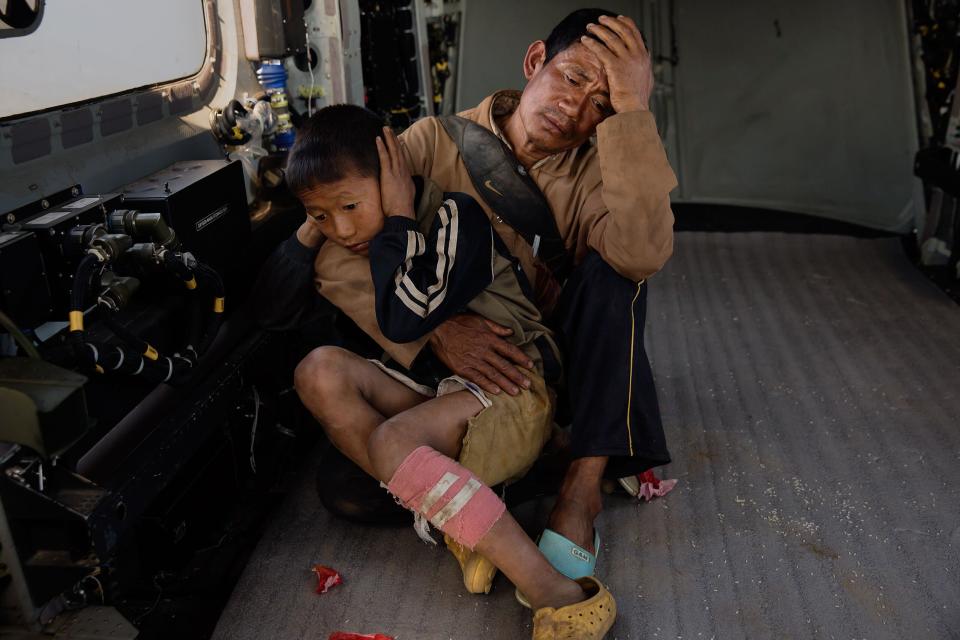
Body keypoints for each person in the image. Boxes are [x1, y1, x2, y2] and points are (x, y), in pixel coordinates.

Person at [296, 8, 678, 584]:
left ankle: (578, 485)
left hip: (537, 369)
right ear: (533, 62)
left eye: (603, 102)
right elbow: (337, 251)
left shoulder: (602, 173)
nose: (576, 109)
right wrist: (438, 332)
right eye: (572, 78)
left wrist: (633, 113)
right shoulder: (430, 143)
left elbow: (642, 253)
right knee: (347, 490)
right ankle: (524, 470)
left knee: (617, 278)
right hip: (432, 368)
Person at [274, 102, 616, 639]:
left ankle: (557, 591)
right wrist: (319, 227)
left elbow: (404, 315)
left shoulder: (458, 218)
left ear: (394, 177)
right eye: (320, 216)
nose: (339, 229)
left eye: (348, 205)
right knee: (316, 371)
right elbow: (266, 311)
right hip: (448, 397)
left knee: (390, 444)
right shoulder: (354, 236)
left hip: (515, 387)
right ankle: (467, 521)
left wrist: (401, 218)